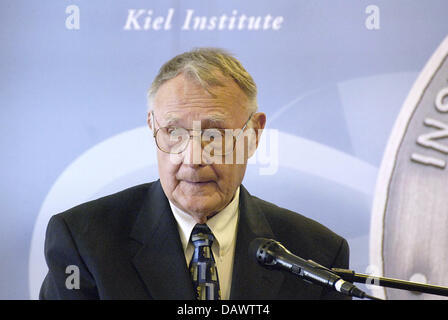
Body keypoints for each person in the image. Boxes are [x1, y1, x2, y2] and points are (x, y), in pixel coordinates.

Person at [40, 48, 350, 300]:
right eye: (174, 132)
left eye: (214, 135)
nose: (192, 159)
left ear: (254, 135)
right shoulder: (84, 241)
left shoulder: (315, 253)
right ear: (152, 128)